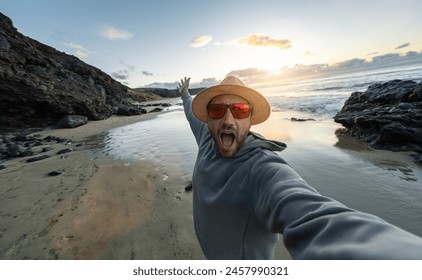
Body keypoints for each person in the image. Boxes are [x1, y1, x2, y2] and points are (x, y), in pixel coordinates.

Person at [177, 76, 422, 259]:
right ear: (207, 118)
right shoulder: (207, 138)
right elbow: (190, 110)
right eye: (218, 110)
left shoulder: (262, 169)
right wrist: (185, 92)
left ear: (250, 121)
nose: (228, 120)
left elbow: (313, 216)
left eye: (240, 111)